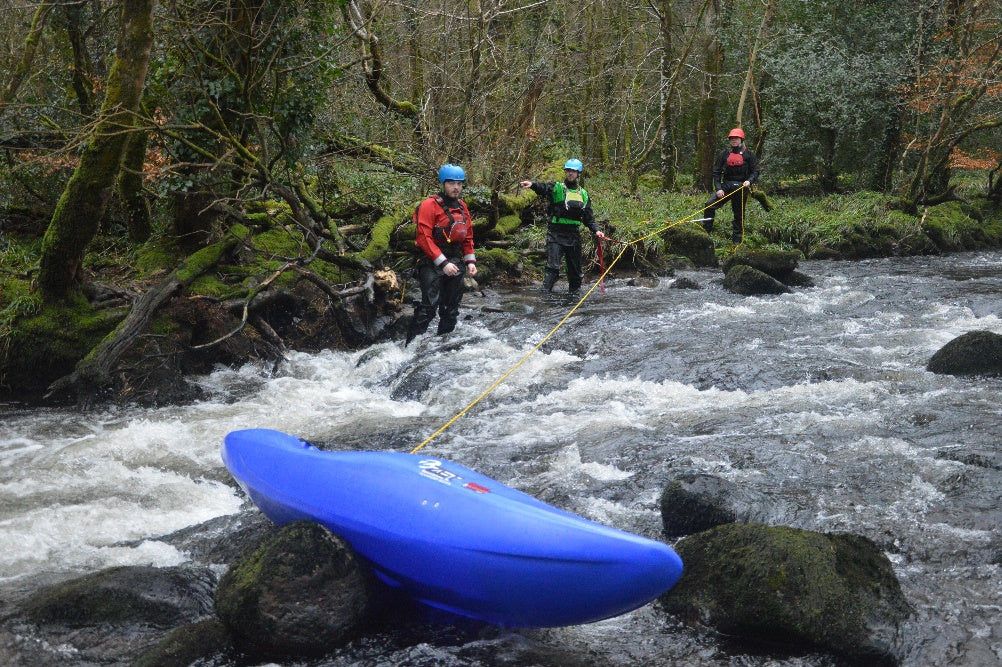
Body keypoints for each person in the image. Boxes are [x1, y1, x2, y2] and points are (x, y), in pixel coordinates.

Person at [405, 163, 477, 346]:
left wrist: (470, 261)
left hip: (455, 261)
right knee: (428, 307)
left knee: (451, 309)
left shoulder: (462, 207)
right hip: (431, 262)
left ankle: (442, 345)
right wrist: (443, 264)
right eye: (451, 183)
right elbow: (423, 238)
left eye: (459, 184)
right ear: (443, 184)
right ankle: (410, 347)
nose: (456, 187)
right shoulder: (429, 205)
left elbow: (467, 236)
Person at [519, 159, 606, 293]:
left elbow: (588, 218)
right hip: (556, 233)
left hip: (573, 235)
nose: (570, 173)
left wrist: (597, 230)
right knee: (553, 267)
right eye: (568, 171)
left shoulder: (583, 194)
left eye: (573, 171)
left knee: (575, 271)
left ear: (578, 174)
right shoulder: (557, 187)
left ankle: (574, 296)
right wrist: (532, 184)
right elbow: (544, 187)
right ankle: (546, 296)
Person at [703, 128, 760, 244]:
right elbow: (716, 172)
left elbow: (756, 171)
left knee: (739, 214)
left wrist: (749, 181)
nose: (734, 140)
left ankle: (737, 241)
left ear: (741, 139)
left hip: (742, 187)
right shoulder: (724, 154)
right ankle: (706, 233)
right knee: (709, 205)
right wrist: (718, 188)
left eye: (736, 138)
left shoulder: (750, 155)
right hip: (726, 185)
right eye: (732, 139)